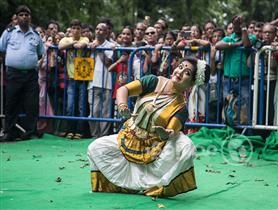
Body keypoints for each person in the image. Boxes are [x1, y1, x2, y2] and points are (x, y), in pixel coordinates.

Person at [88, 57, 210, 197]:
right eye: (180, 66)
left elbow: (170, 131)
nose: (180, 72)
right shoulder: (153, 81)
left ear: (192, 83)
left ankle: (153, 186)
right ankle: (124, 185)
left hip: (153, 146)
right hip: (130, 135)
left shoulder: (181, 108)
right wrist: (122, 106)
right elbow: (123, 89)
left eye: (187, 73)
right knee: (96, 148)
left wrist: (165, 133)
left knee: (186, 147)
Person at [0, 5, 45, 141]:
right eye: (21, 15)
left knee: (32, 103)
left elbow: (40, 54)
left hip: (31, 75)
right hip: (14, 74)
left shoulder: (36, 35)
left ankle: (30, 131)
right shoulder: (9, 32)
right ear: (17, 17)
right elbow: (2, 49)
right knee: (12, 103)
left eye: (26, 15)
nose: (24, 17)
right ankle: (9, 131)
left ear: (30, 18)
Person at [58, 19, 89, 139]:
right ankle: (70, 129)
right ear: (70, 29)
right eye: (73, 28)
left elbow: (81, 45)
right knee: (70, 106)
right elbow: (61, 46)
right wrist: (72, 44)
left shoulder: (84, 39)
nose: (75, 30)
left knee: (81, 106)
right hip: (71, 77)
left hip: (82, 77)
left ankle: (79, 131)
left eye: (78, 28)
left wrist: (70, 46)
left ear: (81, 30)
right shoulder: (66, 39)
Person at [88, 22, 114, 138]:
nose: (98, 31)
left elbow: (108, 63)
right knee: (93, 112)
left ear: (106, 32)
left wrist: (98, 49)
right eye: (97, 29)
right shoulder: (89, 45)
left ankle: (103, 136)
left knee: (105, 113)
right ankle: (94, 135)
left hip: (107, 83)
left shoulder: (112, 45)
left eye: (101, 30)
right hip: (92, 83)